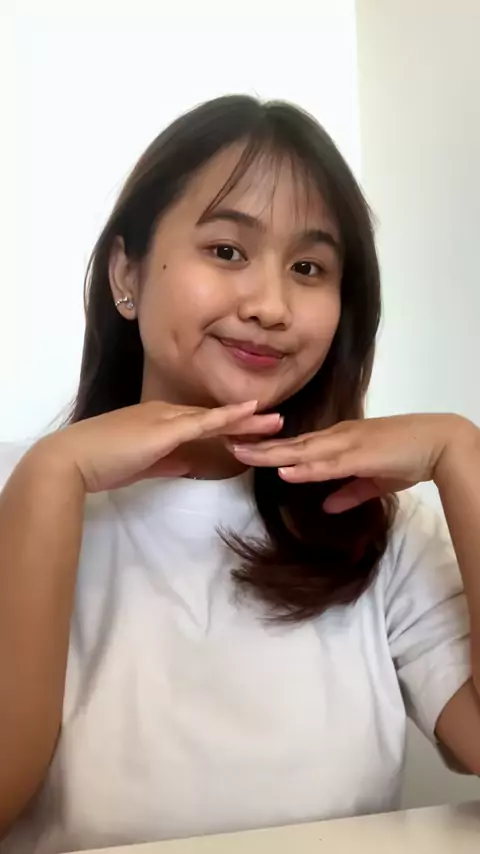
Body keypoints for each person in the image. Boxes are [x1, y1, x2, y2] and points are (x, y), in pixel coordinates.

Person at [0, 95, 479, 854]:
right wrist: (49, 480)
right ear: (127, 273)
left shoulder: (378, 523)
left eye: (309, 268)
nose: (270, 305)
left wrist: (463, 455)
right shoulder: (24, 492)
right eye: (227, 251)